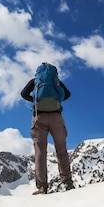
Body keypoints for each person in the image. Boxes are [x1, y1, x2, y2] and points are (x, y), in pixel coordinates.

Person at [21, 63, 75, 195]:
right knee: (61, 150)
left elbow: (23, 94)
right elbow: (67, 94)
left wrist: (34, 99)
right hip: (56, 117)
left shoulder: (35, 82)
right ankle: (67, 182)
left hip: (39, 118)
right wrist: (56, 100)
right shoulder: (56, 82)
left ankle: (42, 187)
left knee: (40, 152)